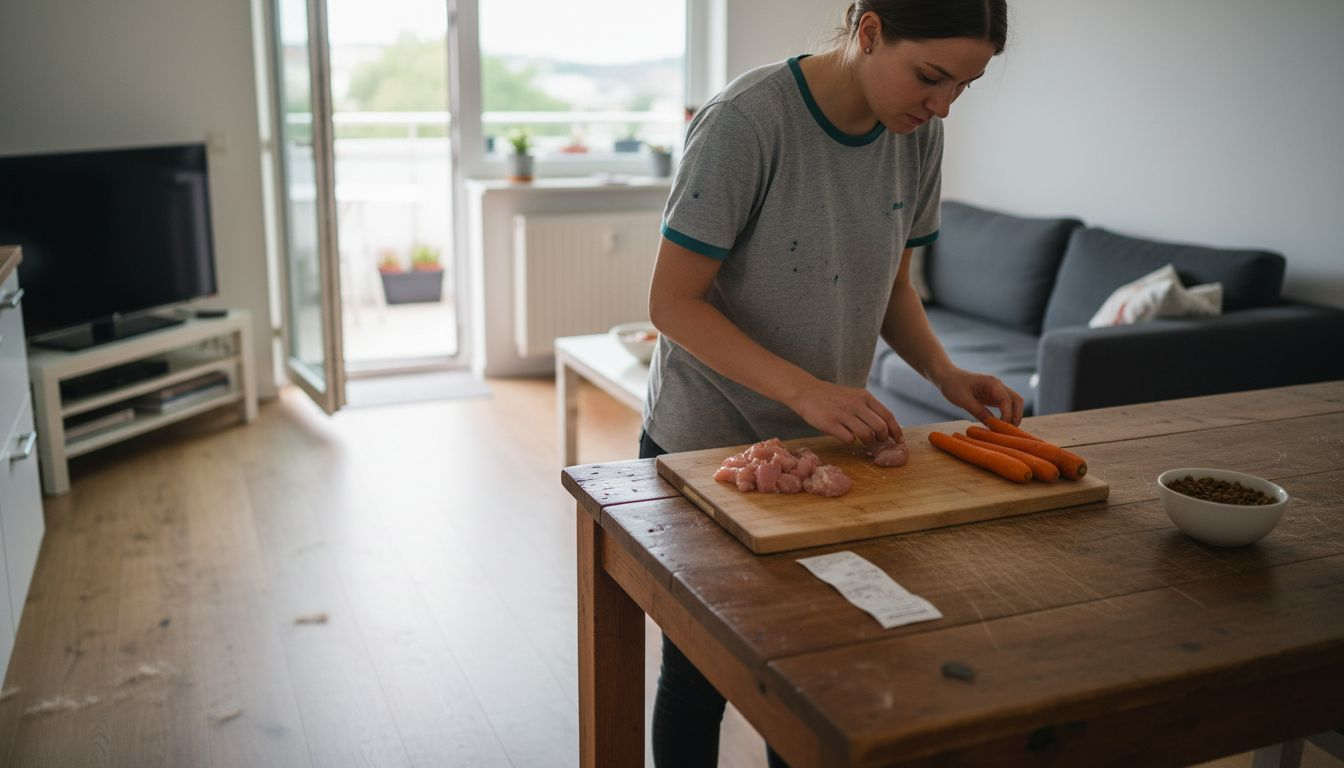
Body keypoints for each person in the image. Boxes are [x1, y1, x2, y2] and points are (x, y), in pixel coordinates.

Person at [639, 0, 1015, 765]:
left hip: (819, 455)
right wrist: (807, 389)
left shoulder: (920, 134)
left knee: (815, 668)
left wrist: (945, 374)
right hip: (706, 445)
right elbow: (670, 304)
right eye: (931, 77)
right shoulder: (746, 121)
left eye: (962, 88)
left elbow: (892, 285)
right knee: (699, 669)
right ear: (869, 30)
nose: (942, 105)